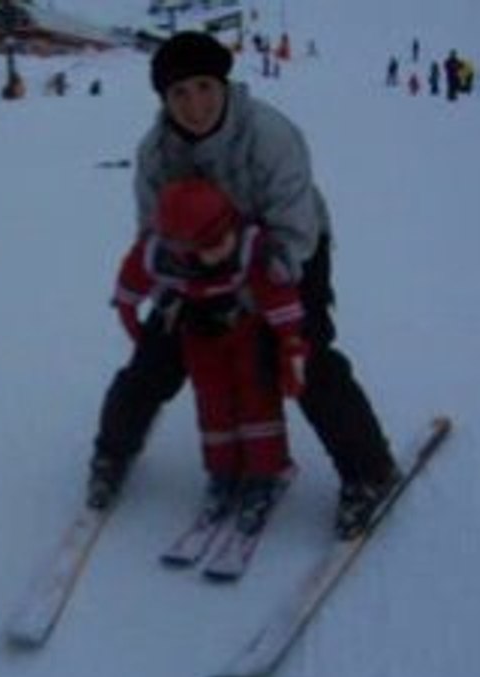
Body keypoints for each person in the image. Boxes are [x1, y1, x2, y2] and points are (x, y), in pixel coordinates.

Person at [84, 31, 399, 540]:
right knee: (158, 354)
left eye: (205, 87)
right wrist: (187, 288)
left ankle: (370, 471)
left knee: (303, 356)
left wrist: (244, 300)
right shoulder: (157, 153)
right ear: (164, 99)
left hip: (285, 254)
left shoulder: (271, 135)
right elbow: (154, 235)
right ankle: (111, 453)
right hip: (197, 264)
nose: (195, 104)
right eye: (179, 93)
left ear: (224, 84)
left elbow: (294, 230)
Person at [107, 178, 309, 531]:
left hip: (246, 333)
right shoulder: (159, 254)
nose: (221, 248)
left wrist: (292, 347)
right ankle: (223, 472)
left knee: (256, 402)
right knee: (213, 406)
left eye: (223, 237)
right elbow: (131, 283)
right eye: (210, 244)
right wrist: (131, 320)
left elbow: (282, 301)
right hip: (198, 339)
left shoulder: (252, 249)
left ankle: (265, 474)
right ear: (181, 246)